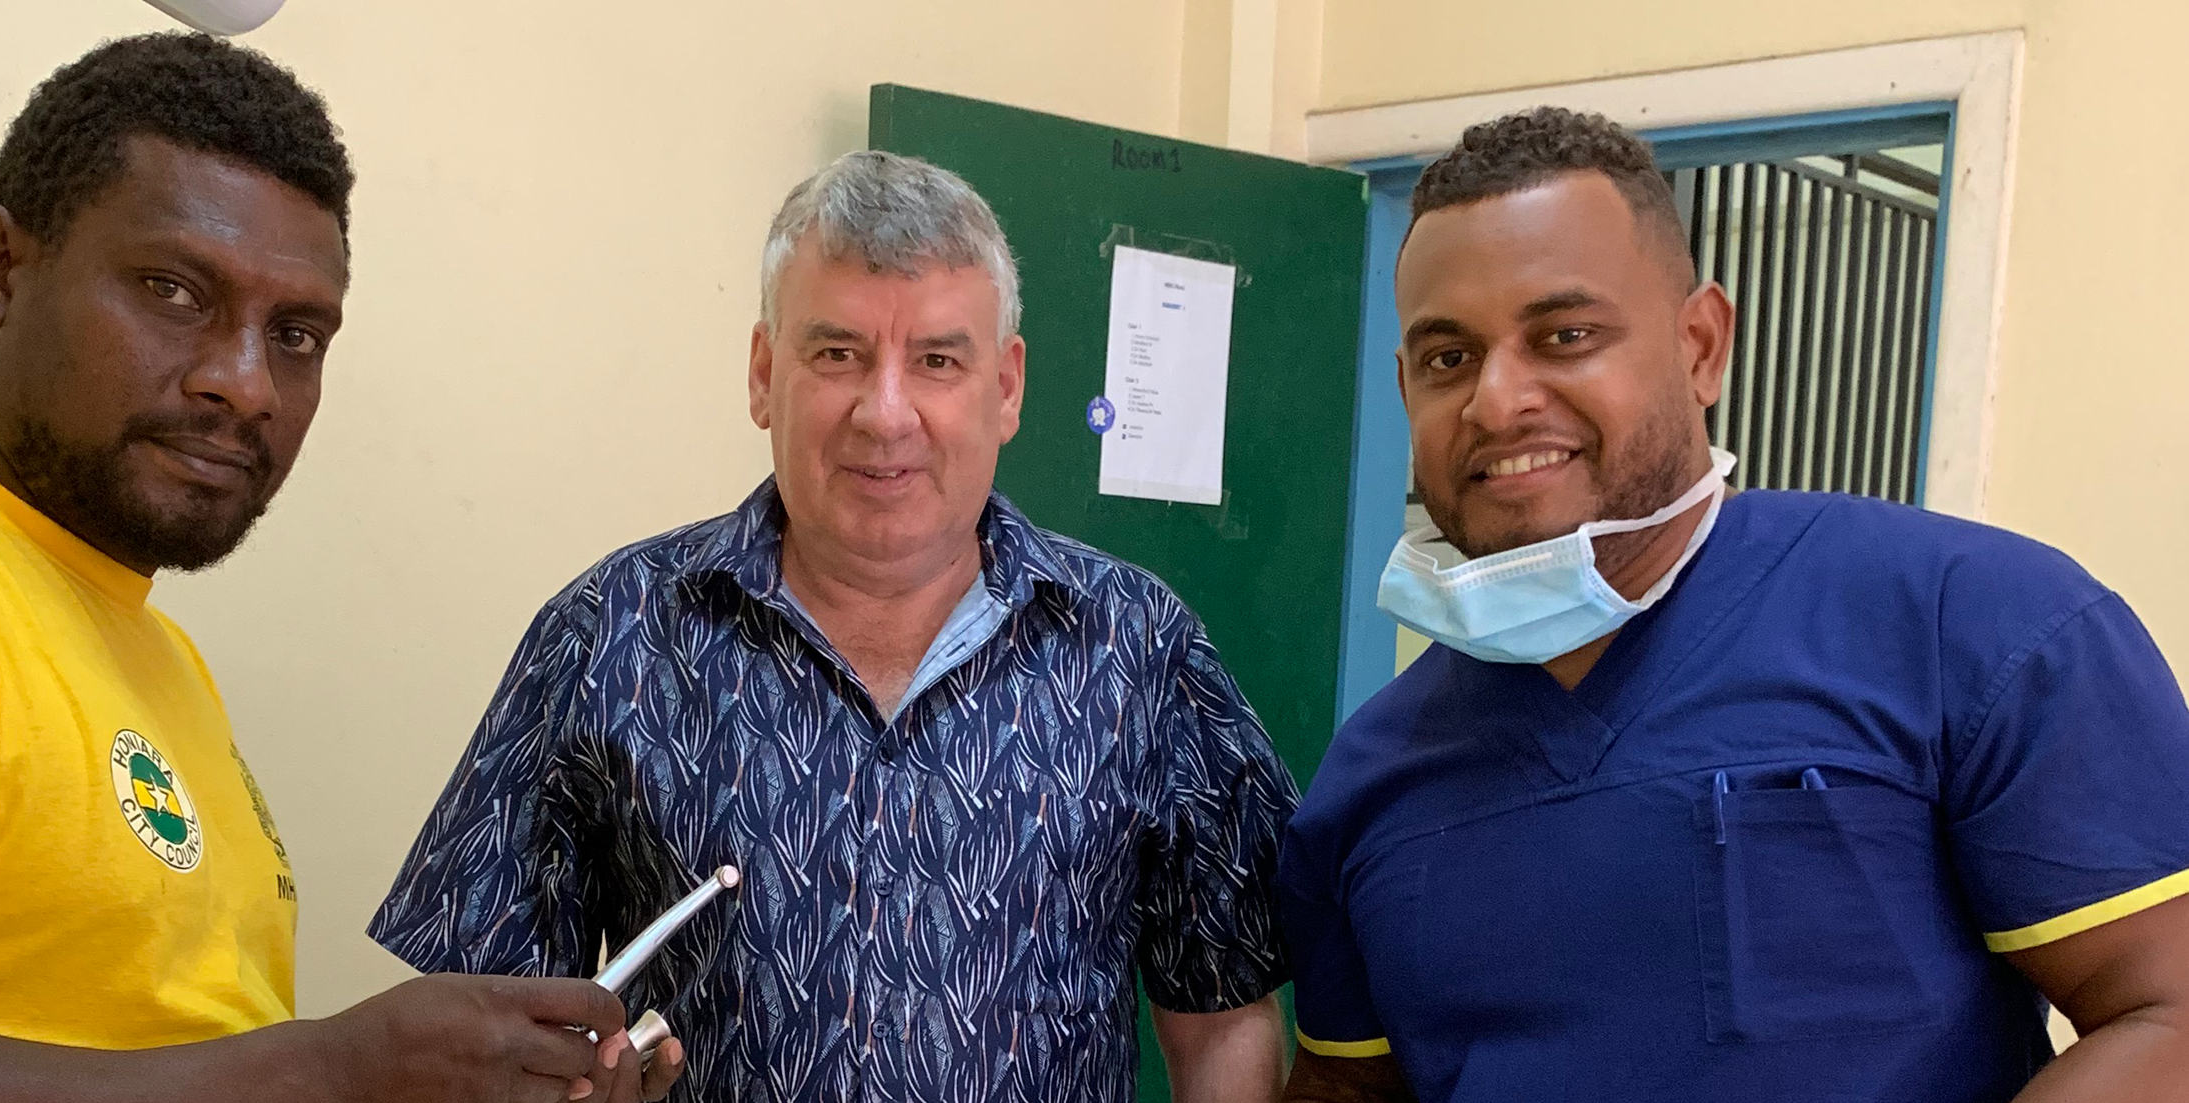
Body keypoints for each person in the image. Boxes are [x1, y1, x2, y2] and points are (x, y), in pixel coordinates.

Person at [0, 33, 677, 1103]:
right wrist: (333, 1071)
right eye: (173, 289)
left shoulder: (161, 656)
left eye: (296, 335)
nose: (245, 384)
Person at [1278, 106, 2189, 1103]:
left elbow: (2166, 1013)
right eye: (1449, 359)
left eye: (1565, 335)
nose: (1497, 401)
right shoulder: (1369, 779)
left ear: (1701, 344)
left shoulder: (1971, 626)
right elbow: (1347, 1090)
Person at [371, 150, 1299, 1103]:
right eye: (837, 354)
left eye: (937, 361)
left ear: (1008, 387)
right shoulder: (607, 636)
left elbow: (1224, 1017)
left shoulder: (1140, 651)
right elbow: (476, 1032)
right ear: (763, 373)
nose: (884, 414)